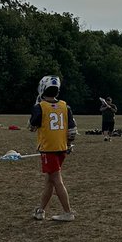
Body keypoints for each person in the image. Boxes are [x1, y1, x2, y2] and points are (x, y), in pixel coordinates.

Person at [28, 76, 77, 221]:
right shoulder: (65, 106)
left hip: (48, 149)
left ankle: (68, 212)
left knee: (56, 179)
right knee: (50, 179)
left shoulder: (40, 107)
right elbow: (72, 130)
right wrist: (68, 144)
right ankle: (41, 210)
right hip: (61, 149)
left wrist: (36, 106)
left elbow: (31, 127)